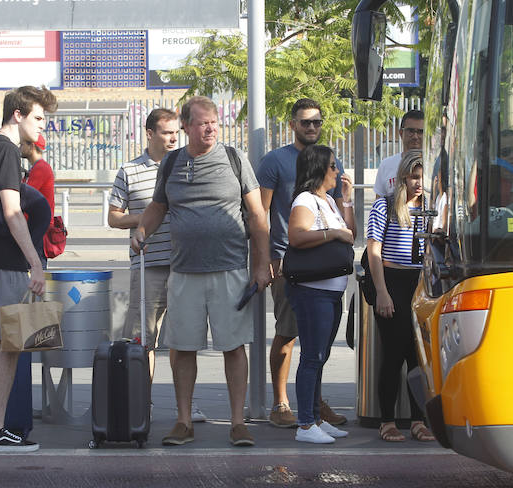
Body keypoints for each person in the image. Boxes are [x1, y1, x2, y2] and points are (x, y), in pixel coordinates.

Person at [132, 96, 272, 447]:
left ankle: (238, 423)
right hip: (183, 272)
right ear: (186, 126)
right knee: (182, 347)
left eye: (214, 122)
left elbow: (257, 216)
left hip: (229, 270)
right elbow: (158, 206)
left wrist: (261, 265)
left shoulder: (234, 159)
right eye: (202, 123)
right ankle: (183, 421)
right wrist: (141, 231)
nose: (210, 128)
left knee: (233, 347)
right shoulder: (173, 162)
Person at [0, 85, 55, 453]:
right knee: (10, 344)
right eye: (37, 118)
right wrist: (35, 263)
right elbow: (12, 211)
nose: (41, 127)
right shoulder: (6, 150)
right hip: (6, 260)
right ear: (17, 114)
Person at [108, 109, 206, 423]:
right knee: (142, 340)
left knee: (183, 341)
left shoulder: (187, 165)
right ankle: (141, 405)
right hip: (147, 266)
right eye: (166, 132)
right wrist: (151, 216)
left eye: (176, 132)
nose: (173, 137)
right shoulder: (129, 170)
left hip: (185, 266)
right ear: (149, 133)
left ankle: (184, 410)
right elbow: (114, 217)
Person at [257, 98, 349, 429]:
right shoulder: (275, 161)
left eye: (316, 122)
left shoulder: (327, 161)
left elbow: (339, 214)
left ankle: (314, 402)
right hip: (288, 262)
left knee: (318, 339)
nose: (311, 127)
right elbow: (261, 213)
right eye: (305, 122)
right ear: (292, 124)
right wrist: (266, 257)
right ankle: (281, 403)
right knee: (288, 333)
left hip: (325, 268)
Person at [285, 145, 355, 444]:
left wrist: (347, 201)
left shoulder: (327, 200)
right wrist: (333, 234)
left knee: (320, 356)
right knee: (312, 356)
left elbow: (351, 233)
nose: (337, 172)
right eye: (332, 167)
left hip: (331, 291)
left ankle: (314, 417)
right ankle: (305, 424)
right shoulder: (305, 200)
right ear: (319, 170)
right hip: (313, 292)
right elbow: (297, 235)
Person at [366, 150, 435, 443]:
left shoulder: (429, 208)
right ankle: (387, 420)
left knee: (418, 356)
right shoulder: (385, 207)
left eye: (422, 177)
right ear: (403, 177)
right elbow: (373, 250)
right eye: (414, 177)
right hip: (391, 280)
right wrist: (382, 291)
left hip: (418, 282)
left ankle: (419, 420)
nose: (418, 183)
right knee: (393, 355)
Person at [21, 133, 55, 267]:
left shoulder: (41, 168)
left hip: (38, 230)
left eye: (22, 144)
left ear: (32, 146)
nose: (20, 148)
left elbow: (24, 196)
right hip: (35, 228)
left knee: (34, 270)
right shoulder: (36, 168)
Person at [373, 110, 424, 197]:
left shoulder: (433, 167)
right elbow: (379, 201)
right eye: (411, 131)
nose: (415, 136)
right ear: (401, 133)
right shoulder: (386, 165)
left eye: (420, 132)